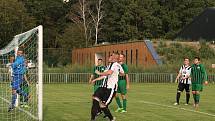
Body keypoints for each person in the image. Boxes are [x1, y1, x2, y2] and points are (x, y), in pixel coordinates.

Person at [90, 52, 124, 121]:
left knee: (102, 105)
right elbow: (105, 75)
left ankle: (111, 118)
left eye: (111, 56)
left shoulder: (115, 65)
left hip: (110, 89)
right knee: (95, 100)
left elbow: (110, 73)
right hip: (103, 87)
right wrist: (95, 79)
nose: (109, 57)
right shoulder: (109, 66)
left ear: (115, 58)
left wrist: (99, 73)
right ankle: (92, 119)